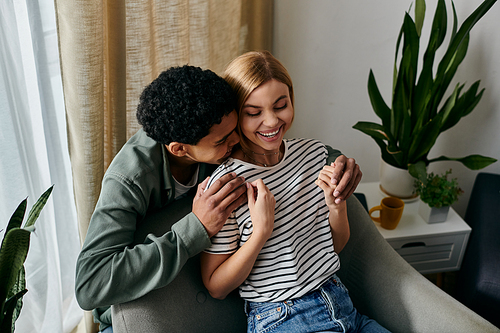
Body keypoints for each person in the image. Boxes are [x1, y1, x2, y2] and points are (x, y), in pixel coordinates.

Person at [74, 65, 361, 332]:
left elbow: (292, 152)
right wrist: (197, 227)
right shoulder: (129, 179)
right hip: (131, 313)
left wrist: (339, 164)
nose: (236, 142)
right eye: (222, 141)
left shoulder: (212, 118)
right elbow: (90, 285)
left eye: (235, 129)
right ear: (179, 149)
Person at [200, 51, 387, 332]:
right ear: (236, 114)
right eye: (253, 112)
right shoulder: (227, 185)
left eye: (280, 105)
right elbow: (216, 287)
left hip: (343, 305)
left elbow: (334, 246)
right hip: (284, 319)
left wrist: (336, 205)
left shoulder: (314, 154)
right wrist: (261, 232)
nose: (272, 121)